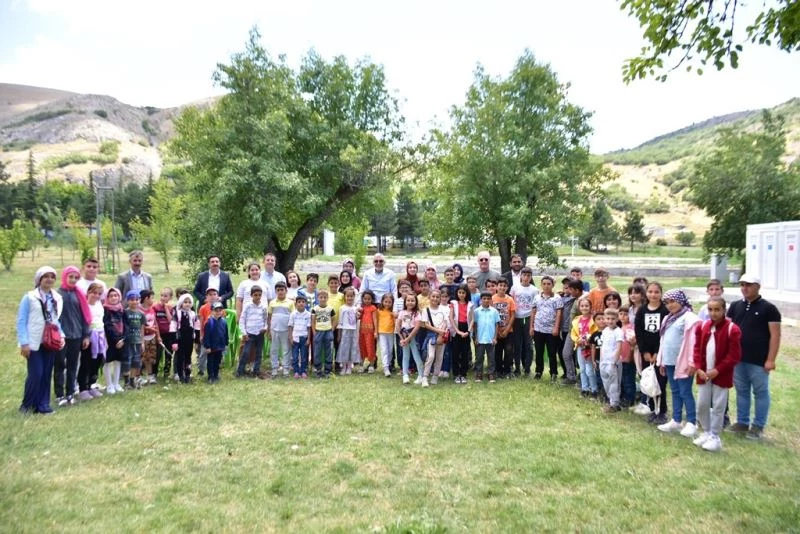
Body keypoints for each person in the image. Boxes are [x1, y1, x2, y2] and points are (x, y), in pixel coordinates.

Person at [727, 274, 781, 440]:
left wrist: (770, 359)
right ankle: (742, 422)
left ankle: (758, 425)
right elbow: (727, 330)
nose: (745, 288)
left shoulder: (769, 309)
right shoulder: (735, 306)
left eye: (749, 285)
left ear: (758, 286)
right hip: (738, 358)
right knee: (742, 391)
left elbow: (775, 335)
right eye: (742, 285)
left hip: (758, 360)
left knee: (760, 392)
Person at [691, 296, 742, 452]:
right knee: (702, 404)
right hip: (704, 373)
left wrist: (717, 370)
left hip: (721, 374)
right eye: (710, 309)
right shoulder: (703, 326)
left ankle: (715, 435)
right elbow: (697, 349)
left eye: (717, 310)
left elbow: (734, 355)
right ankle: (706, 431)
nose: (713, 313)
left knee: (719, 406)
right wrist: (698, 368)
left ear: (724, 310)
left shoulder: (732, 329)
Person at [17, 266, 64, 414]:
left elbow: (56, 320)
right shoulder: (29, 297)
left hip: (50, 341)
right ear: (39, 279)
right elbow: (21, 321)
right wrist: (24, 343)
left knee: (46, 374)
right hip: (33, 341)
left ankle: (43, 405)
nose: (49, 279)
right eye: (46, 276)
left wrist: (61, 335)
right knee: (36, 373)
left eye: (52, 277)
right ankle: (27, 405)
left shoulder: (56, 298)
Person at [656, 289, 700, 437]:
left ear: (681, 301)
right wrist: (662, 361)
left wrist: (692, 362)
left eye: (673, 302)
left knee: (685, 391)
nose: (670, 305)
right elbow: (664, 340)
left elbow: (694, 343)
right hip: (669, 361)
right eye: (667, 303)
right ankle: (676, 420)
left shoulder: (690, 318)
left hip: (683, 362)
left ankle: (691, 422)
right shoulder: (668, 318)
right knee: (675, 391)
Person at [54, 265, 92, 406]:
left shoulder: (79, 294)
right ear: (65, 276)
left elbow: (85, 315)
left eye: (76, 277)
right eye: (71, 277)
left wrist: (86, 335)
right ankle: (59, 394)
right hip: (61, 336)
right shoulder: (57, 294)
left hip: (76, 335)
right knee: (59, 365)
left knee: (72, 366)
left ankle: (70, 392)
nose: (73, 280)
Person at [634, 281, 669, 423]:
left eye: (656, 292)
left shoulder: (665, 311)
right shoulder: (642, 310)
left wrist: (656, 352)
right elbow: (638, 332)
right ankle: (653, 409)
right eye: (650, 292)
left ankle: (662, 411)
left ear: (661, 293)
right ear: (646, 293)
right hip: (646, 353)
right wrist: (644, 351)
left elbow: (664, 334)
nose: (653, 295)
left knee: (660, 382)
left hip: (660, 352)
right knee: (649, 381)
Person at [530, 275, 563, 382]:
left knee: (552, 353)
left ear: (552, 285)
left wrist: (556, 327)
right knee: (539, 352)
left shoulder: (557, 298)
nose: (546, 286)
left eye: (549, 284)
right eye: (544, 284)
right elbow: (533, 312)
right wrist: (531, 327)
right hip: (538, 329)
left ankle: (553, 373)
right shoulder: (537, 297)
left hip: (551, 330)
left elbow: (559, 313)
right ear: (541, 285)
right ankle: (538, 371)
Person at [77, 282, 106, 401]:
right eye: (94, 293)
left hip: (100, 334)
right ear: (88, 292)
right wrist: (86, 337)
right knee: (86, 362)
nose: (96, 296)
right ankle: (83, 388)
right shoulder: (84, 305)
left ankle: (92, 384)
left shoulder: (99, 304)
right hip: (89, 336)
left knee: (97, 361)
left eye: (99, 294)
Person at [420, 290, 452, 387]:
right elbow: (426, 324)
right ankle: (425, 377)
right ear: (429, 297)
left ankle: (435, 376)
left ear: (440, 298)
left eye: (437, 297)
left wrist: (441, 334)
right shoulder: (426, 310)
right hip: (431, 336)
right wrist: (438, 331)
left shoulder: (443, 309)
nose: (435, 298)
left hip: (442, 335)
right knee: (430, 356)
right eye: (433, 296)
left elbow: (445, 322)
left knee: (439, 357)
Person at [510, 267, 537, 376]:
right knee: (517, 344)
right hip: (517, 318)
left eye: (528, 276)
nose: (526, 278)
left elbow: (535, 307)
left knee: (529, 345)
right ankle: (517, 368)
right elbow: (511, 301)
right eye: (524, 275)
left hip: (528, 318)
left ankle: (527, 368)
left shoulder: (534, 290)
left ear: (531, 277)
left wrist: (533, 323)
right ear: (520, 276)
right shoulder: (515, 287)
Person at [236, 286, 268, 378]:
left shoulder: (263, 307)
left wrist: (265, 328)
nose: (257, 297)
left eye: (259, 295)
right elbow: (242, 320)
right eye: (255, 295)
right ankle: (240, 371)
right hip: (249, 333)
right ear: (251, 295)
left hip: (260, 333)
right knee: (246, 352)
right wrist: (244, 333)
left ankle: (256, 371)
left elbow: (265, 319)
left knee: (259, 353)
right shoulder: (248, 306)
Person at [571, 297, 598, 398]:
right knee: (582, 369)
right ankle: (585, 388)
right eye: (582, 306)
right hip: (580, 347)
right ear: (579, 307)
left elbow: (595, 332)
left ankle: (594, 389)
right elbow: (573, 333)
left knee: (590, 370)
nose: (584, 308)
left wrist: (589, 340)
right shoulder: (576, 320)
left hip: (590, 348)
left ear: (590, 307)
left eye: (587, 306)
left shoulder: (593, 320)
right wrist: (577, 340)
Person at [599, 308, 624, 413]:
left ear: (617, 319)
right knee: (606, 381)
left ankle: (615, 404)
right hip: (604, 361)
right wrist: (601, 359)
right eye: (608, 318)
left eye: (613, 319)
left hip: (613, 362)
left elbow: (619, 348)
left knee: (614, 383)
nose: (610, 321)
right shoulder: (605, 330)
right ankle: (610, 400)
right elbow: (602, 345)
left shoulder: (618, 332)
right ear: (605, 319)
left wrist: (614, 361)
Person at [472, 292, 500, 383]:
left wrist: (495, 338)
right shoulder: (477, 311)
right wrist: (476, 337)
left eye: (488, 298)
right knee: (479, 357)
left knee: (491, 358)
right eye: (484, 298)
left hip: (490, 339)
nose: (486, 300)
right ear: (481, 300)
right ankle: (479, 373)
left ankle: (491, 373)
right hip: (480, 339)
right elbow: (475, 325)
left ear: (491, 300)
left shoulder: (494, 311)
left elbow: (496, 325)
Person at [171, 293, 199, 384]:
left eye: (189, 302)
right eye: (185, 302)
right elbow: (173, 327)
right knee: (180, 357)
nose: (187, 304)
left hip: (189, 339)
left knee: (188, 357)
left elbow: (197, 327)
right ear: (181, 303)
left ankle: (187, 374)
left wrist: (196, 340)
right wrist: (174, 341)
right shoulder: (178, 313)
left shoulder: (193, 314)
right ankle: (180, 375)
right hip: (180, 338)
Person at [397, 293, 424, 385]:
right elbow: (398, 325)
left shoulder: (417, 313)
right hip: (404, 337)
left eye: (412, 300)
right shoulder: (402, 312)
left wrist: (409, 338)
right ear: (405, 302)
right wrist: (402, 338)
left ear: (416, 302)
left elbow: (417, 327)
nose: (410, 302)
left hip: (413, 337)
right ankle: (405, 375)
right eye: (408, 300)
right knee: (405, 356)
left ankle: (421, 375)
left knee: (416, 355)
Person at [449, 285, 473, 384]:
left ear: (467, 294)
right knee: (455, 353)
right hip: (456, 330)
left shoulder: (470, 304)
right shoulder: (453, 303)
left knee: (465, 353)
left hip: (466, 329)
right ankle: (456, 374)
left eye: (463, 293)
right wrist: (458, 331)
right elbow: (451, 318)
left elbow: (472, 319)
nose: (461, 295)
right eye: (460, 292)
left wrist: (468, 331)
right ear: (457, 293)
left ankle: (463, 374)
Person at [268, 281, 293, 377]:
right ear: (275, 291)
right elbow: (269, 317)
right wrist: (268, 329)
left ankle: (286, 368)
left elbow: (293, 317)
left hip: (286, 330)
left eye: (282, 290)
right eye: (278, 290)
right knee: (274, 349)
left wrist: (292, 331)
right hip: (274, 329)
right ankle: (274, 368)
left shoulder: (290, 303)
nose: (280, 292)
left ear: (286, 291)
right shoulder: (272, 302)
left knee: (286, 349)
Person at [102, 288, 125, 394]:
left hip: (121, 340)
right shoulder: (105, 310)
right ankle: (109, 384)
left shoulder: (121, 309)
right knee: (107, 362)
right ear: (107, 297)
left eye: (116, 295)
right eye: (111, 296)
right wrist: (116, 340)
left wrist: (123, 338)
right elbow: (107, 326)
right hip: (109, 340)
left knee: (118, 361)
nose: (113, 298)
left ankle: (116, 383)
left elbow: (126, 324)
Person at [492, 278, 516, 379]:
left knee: (508, 350)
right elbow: (491, 316)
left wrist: (507, 329)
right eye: (500, 285)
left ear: (507, 287)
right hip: (495, 331)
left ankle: (507, 370)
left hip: (508, 331)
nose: (502, 287)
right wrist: (497, 331)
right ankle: (498, 370)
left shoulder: (510, 299)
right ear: (497, 287)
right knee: (497, 351)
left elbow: (513, 315)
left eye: (504, 286)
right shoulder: (492, 299)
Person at [122, 290, 145, 389]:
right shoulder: (124, 313)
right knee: (127, 361)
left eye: (136, 299)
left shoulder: (141, 314)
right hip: (128, 341)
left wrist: (142, 341)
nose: (134, 302)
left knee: (136, 362)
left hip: (137, 341)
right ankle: (126, 382)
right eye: (132, 299)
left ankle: (132, 380)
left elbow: (142, 328)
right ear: (128, 301)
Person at [311, 289, 337, 378]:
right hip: (318, 331)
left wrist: (331, 329)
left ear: (327, 298)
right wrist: (314, 332)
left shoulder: (330, 309)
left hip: (328, 331)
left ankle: (327, 370)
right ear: (317, 298)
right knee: (317, 351)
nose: (323, 299)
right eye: (321, 297)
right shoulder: (315, 309)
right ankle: (318, 369)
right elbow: (313, 321)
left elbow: (334, 320)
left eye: (325, 297)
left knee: (328, 351)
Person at [202, 302, 229, 384]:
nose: (218, 312)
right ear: (212, 311)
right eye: (216, 310)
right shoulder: (209, 322)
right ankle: (211, 376)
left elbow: (226, 334)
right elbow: (206, 336)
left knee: (217, 362)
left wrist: (226, 344)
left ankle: (216, 375)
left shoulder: (224, 322)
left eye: (220, 310)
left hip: (220, 346)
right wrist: (207, 346)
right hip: (211, 347)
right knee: (211, 362)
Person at [336, 288, 361, 375]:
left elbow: (357, 321)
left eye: (351, 296)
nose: (349, 298)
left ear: (354, 297)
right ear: (345, 297)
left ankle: (349, 366)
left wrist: (358, 316)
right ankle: (344, 366)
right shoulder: (342, 308)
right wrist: (339, 334)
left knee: (352, 348)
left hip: (353, 331)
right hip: (345, 331)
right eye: (348, 296)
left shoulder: (355, 308)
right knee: (344, 348)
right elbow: (340, 321)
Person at [139, 289, 160, 384]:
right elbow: (139, 326)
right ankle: (138, 376)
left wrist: (158, 336)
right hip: (142, 338)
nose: (153, 300)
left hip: (152, 337)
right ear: (146, 299)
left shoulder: (151, 309)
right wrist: (148, 329)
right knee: (142, 357)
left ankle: (150, 375)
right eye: (152, 298)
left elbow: (155, 323)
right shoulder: (139, 311)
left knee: (150, 357)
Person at [153, 287, 175, 380]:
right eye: (161, 295)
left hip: (169, 334)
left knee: (168, 353)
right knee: (157, 354)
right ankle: (154, 373)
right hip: (159, 334)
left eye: (165, 296)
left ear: (170, 297)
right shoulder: (155, 307)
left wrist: (166, 308)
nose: (163, 298)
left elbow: (170, 320)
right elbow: (153, 321)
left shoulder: (171, 308)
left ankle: (166, 372)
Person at [288, 295, 312, 378]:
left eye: (303, 302)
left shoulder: (308, 314)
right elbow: (290, 326)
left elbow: (309, 327)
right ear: (296, 304)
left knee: (304, 356)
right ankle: (296, 371)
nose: (301, 303)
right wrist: (290, 337)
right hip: (295, 338)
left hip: (304, 337)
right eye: (299, 302)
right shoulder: (293, 314)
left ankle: (303, 371)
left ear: (306, 304)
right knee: (295, 356)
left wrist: (308, 339)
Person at [358, 290, 378, 373]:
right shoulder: (362, 308)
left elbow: (375, 320)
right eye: (365, 299)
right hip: (362, 331)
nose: (367, 300)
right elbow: (359, 318)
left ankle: (371, 365)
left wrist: (376, 331)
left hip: (370, 332)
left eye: (369, 299)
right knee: (362, 348)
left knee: (370, 348)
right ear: (362, 299)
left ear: (372, 299)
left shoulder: (373, 308)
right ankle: (361, 365)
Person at [377, 293, 395, 377]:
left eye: (389, 302)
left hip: (390, 332)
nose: (387, 304)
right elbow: (376, 321)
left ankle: (389, 364)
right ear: (382, 301)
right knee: (384, 350)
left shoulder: (392, 312)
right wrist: (376, 332)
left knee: (390, 350)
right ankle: (385, 367)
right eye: (385, 302)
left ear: (392, 303)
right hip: (382, 333)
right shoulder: (379, 311)